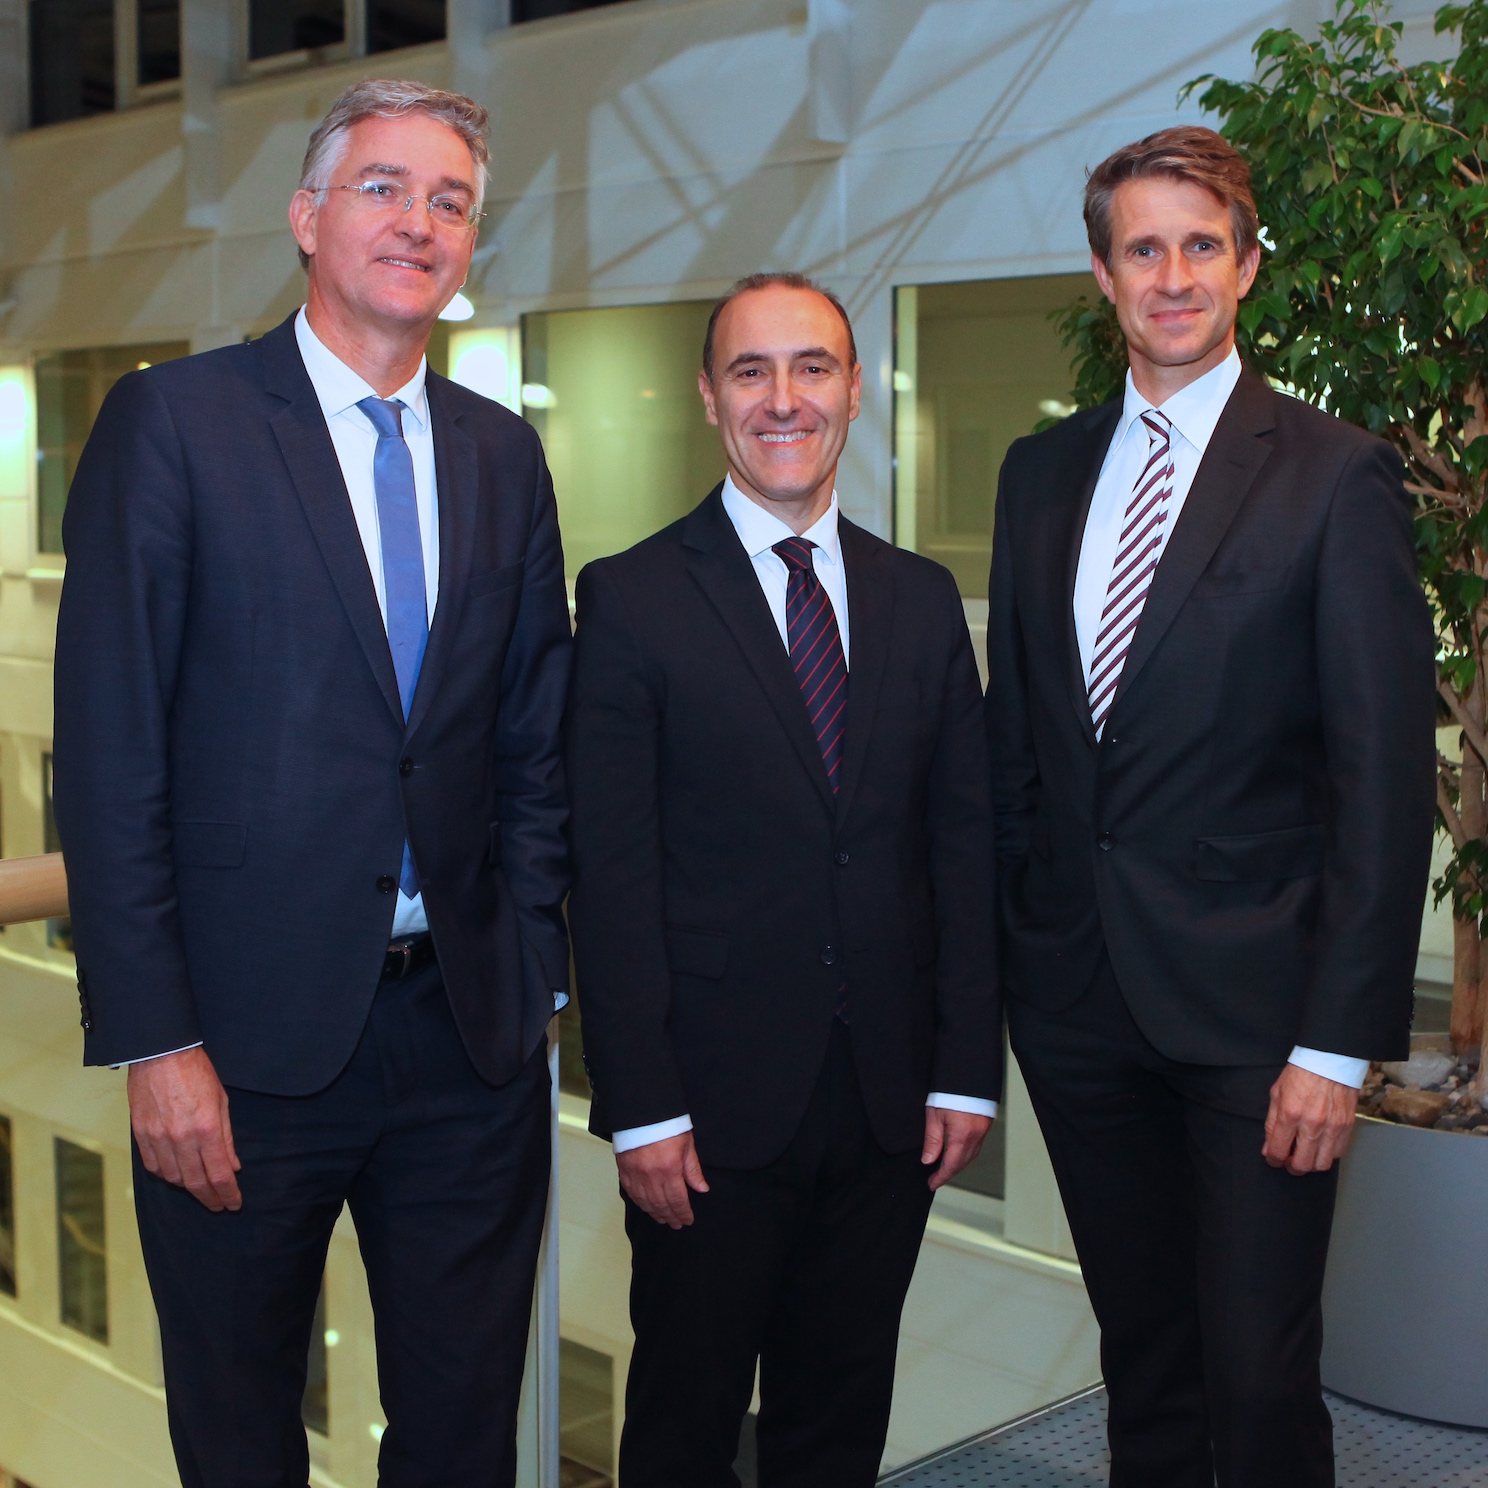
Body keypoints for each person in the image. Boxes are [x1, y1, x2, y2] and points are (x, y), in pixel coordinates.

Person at [52, 79, 572, 1488]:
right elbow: (109, 762)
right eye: (385, 188)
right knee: (238, 1443)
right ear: (306, 216)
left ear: (471, 245)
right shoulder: (175, 425)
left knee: (461, 1440)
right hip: (236, 1056)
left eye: (450, 200)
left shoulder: (505, 457)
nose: (419, 221)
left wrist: (529, 972)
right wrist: (155, 1044)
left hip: (466, 1045)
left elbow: (533, 739)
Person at [985, 125, 1436, 1487]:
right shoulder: (1039, 476)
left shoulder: (1331, 473)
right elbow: (1024, 746)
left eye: (1200, 245)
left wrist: (1339, 1047)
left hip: (1259, 1025)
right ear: (1104, 276)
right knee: (1148, 1365)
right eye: (1142, 248)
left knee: (1257, 1379)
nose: (1171, 274)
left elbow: (1383, 780)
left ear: (1244, 267)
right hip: (1077, 1010)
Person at [566, 272, 1001, 1487]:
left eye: (813, 367)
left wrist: (966, 1067)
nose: (784, 399)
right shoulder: (633, 597)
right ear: (710, 398)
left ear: (855, 391)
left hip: (887, 1105)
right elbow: (611, 873)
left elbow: (960, 849)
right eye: (751, 371)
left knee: (840, 1417)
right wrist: (640, 1102)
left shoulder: (919, 601)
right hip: (706, 1115)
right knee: (685, 1427)